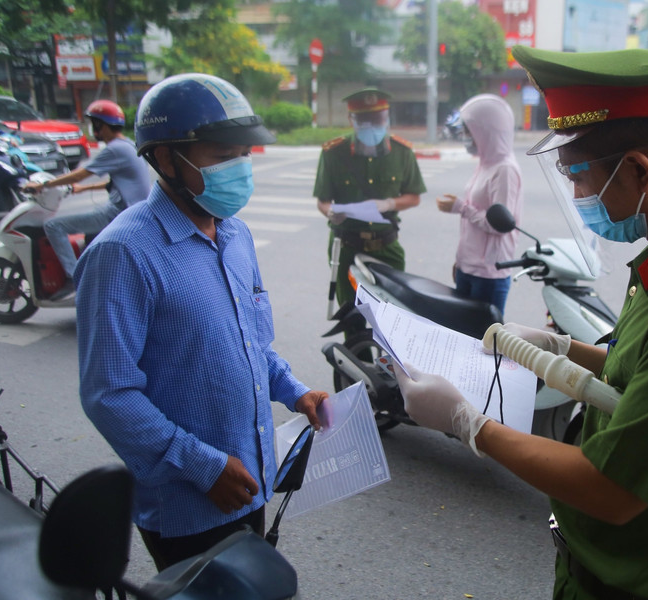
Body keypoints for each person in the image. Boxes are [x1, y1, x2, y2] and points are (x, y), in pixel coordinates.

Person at [395, 47, 648, 600]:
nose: (578, 195)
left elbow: (612, 490)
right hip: (591, 573)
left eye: (580, 178)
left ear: (640, 170)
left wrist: (469, 424)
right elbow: (643, 375)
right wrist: (560, 348)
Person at [74, 73, 329, 571]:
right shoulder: (123, 254)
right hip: (190, 504)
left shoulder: (235, 234)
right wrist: (203, 467)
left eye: (245, 154)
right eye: (222, 155)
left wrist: (295, 391)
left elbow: (251, 342)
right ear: (165, 158)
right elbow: (108, 393)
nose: (240, 167)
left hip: (250, 481)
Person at [24, 100, 151, 297]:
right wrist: (83, 189)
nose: (93, 128)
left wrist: (42, 186)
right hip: (131, 211)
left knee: (53, 226)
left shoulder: (114, 149)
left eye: (94, 124)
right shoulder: (127, 145)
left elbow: (79, 174)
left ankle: (75, 278)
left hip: (117, 213)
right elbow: (114, 183)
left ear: (101, 125)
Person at [314, 88, 426, 309]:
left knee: (394, 315)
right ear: (351, 119)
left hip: (386, 246)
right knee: (351, 316)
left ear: (387, 118)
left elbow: (414, 197)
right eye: (365, 120)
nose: (372, 126)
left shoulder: (402, 152)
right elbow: (323, 200)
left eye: (378, 119)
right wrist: (330, 212)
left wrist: (389, 204)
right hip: (346, 246)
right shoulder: (333, 153)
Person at [436, 94, 522, 315]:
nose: (466, 137)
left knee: (482, 343)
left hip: (488, 274)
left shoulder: (504, 170)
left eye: (468, 131)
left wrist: (460, 208)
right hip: (469, 268)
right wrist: (461, 261)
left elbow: (499, 225)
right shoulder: (486, 163)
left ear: (486, 132)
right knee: (461, 337)